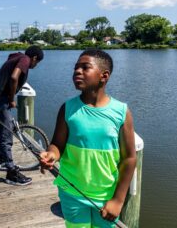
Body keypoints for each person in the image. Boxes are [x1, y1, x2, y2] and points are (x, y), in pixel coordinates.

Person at [40, 49, 136, 227]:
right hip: (71, 192)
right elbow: (57, 145)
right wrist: (51, 155)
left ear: (104, 76)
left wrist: (118, 200)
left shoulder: (121, 112)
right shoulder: (67, 108)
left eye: (85, 67)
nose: (77, 71)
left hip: (106, 194)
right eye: (76, 68)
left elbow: (129, 158)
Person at [0, 45, 44, 186]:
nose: (36, 65)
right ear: (35, 58)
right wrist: (11, 99)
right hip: (0, 98)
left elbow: (10, 72)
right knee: (7, 134)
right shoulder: (24, 59)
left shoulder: (16, 56)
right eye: (38, 62)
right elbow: (14, 77)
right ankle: (11, 172)